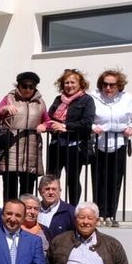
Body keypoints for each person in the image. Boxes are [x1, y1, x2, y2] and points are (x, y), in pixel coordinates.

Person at [89, 69, 132, 226]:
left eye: (112, 85)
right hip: (99, 142)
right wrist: (93, 127)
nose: (108, 88)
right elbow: (87, 117)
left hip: (119, 142)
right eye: (105, 84)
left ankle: (111, 215)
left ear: (118, 85)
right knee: (98, 179)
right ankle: (99, 214)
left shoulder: (127, 98)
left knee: (115, 180)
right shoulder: (93, 97)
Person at [42, 68, 95, 205]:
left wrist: (65, 126)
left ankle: (73, 208)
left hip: (75, 147)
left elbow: (86, 123)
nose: (69, 85)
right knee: (51, 179)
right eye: (66, 82)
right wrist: (48, 125)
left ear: (80, 84)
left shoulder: (87, 100)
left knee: (72, 179)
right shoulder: (58, 99)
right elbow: (50, 117)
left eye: (73, 82)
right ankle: (51, 206)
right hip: (56, 145)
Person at [0, 71, 46, 201]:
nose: (27, 89)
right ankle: (9, 217)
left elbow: (47, 119)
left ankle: (25, 218)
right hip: (11, 150)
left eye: (31, 86)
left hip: (31, 152)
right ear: (18, 85)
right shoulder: (9, 98)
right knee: (10, 189)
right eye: (24, 85)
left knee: (27, 191)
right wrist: (3, 109)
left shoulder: (40, 102)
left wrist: (45, 125)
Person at [36, 175, 77, 244]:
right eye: (47, 189)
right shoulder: (33, 211)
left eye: (54, 189)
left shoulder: (70, 212)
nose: (51, 193)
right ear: (40, 191)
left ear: (60, 191)